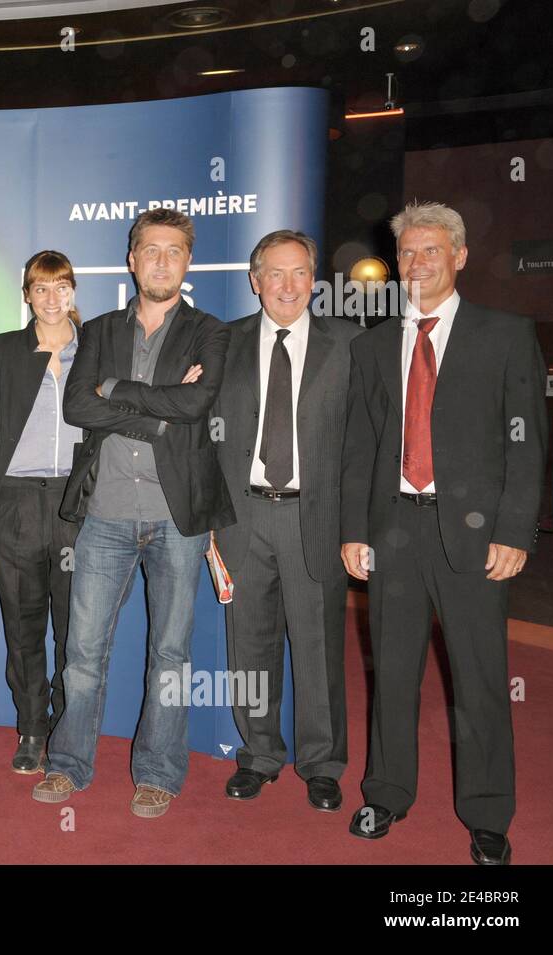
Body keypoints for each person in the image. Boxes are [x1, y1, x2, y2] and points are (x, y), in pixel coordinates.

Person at [341, 201, 546, 865]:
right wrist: (353, 528)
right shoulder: (372, 344)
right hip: (393, 531)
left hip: (475, 538)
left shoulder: (506, 334)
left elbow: (525, 444)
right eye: (407, 252)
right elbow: (361, 444)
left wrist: (514, 529)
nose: (418, 262)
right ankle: (387, 792)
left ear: (459, 256)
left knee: (481, 680)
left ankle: (488, 814)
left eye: (432, 250)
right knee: (391, 675)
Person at [32, 208, 235, 817]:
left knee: (171, 653)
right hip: (106, 515)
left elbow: (197, 403)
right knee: (84, 652)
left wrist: (116, 390)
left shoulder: (210, 331)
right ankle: (69, 764)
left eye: (174, 251)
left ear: (188, 261)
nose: (162, 261)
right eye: (151, 250)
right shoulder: (96, 330)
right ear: (132, 258)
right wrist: (158, 414)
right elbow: (76, 407)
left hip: (180, 517)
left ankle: (158, 774)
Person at [213, 230, 362, 812]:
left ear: (314, 280)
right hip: (242, 515)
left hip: (315, 518)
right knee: (248, 645)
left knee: (319, 648)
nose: (288, 285)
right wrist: (209, 520)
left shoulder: (349, 344)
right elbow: (202, 436)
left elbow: (362, 446)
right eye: (275, 273)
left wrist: (357, 527)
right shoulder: (222, 343)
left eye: (300, 272)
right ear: (255, 281)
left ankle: (322, 764)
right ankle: (258, 756)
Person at [0, 251, 84, 774]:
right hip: (15, 504)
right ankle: (30, 728)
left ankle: (68, 730)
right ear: (26, 295)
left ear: (73, 293)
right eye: (40, 289)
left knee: (74, 628)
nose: (50, 299)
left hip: (77, 504)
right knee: (22, 628)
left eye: (60, 287)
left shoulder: (96, 352)